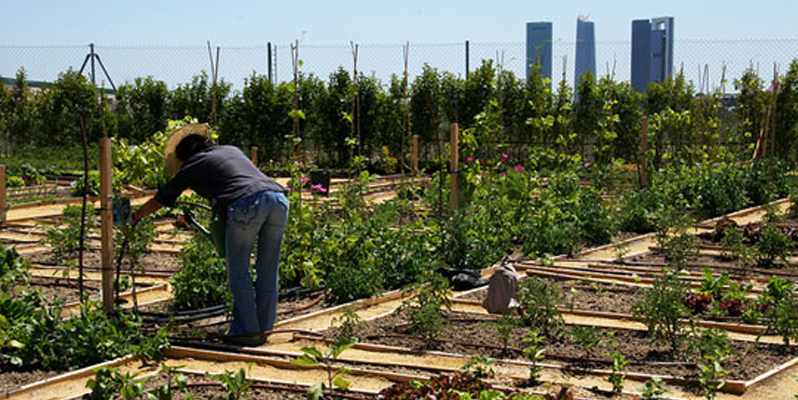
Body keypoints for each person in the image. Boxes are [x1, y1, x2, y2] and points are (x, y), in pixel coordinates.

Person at [132, 124, 288, 346]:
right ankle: (264, 328)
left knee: (238, 269)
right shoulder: (231, 150)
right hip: (278, 199)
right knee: (268, 267)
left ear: (184, 155)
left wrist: (137, 215)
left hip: (247, 203)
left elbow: (163, 198)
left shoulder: (193, 164)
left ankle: (246, 330)